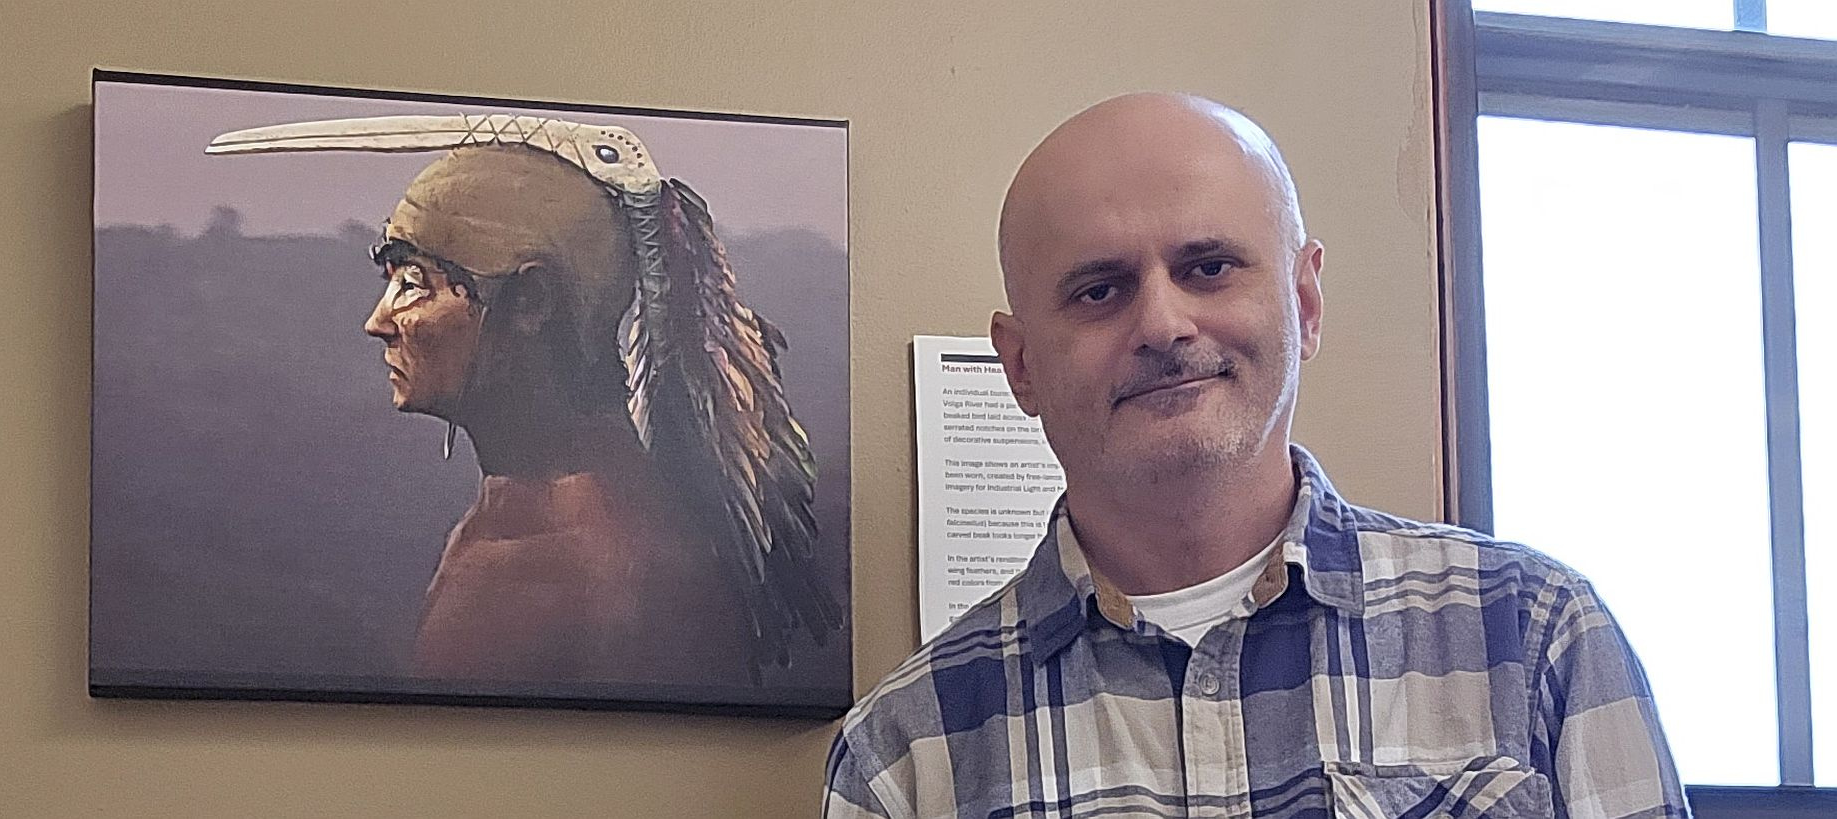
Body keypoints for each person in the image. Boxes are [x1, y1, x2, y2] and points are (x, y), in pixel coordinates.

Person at [824, 93, 1687, 818]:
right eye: (1100, 289)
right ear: (1021, 365)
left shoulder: (1534, 638)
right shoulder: (907, 756)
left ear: (1304, 303)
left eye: (1207, 267)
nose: (1162, 323)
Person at [208, 115, 838, 687]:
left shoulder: (559, 567)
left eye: (414, 283)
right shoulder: (530, 520)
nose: (379, 320)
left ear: (532, 303)